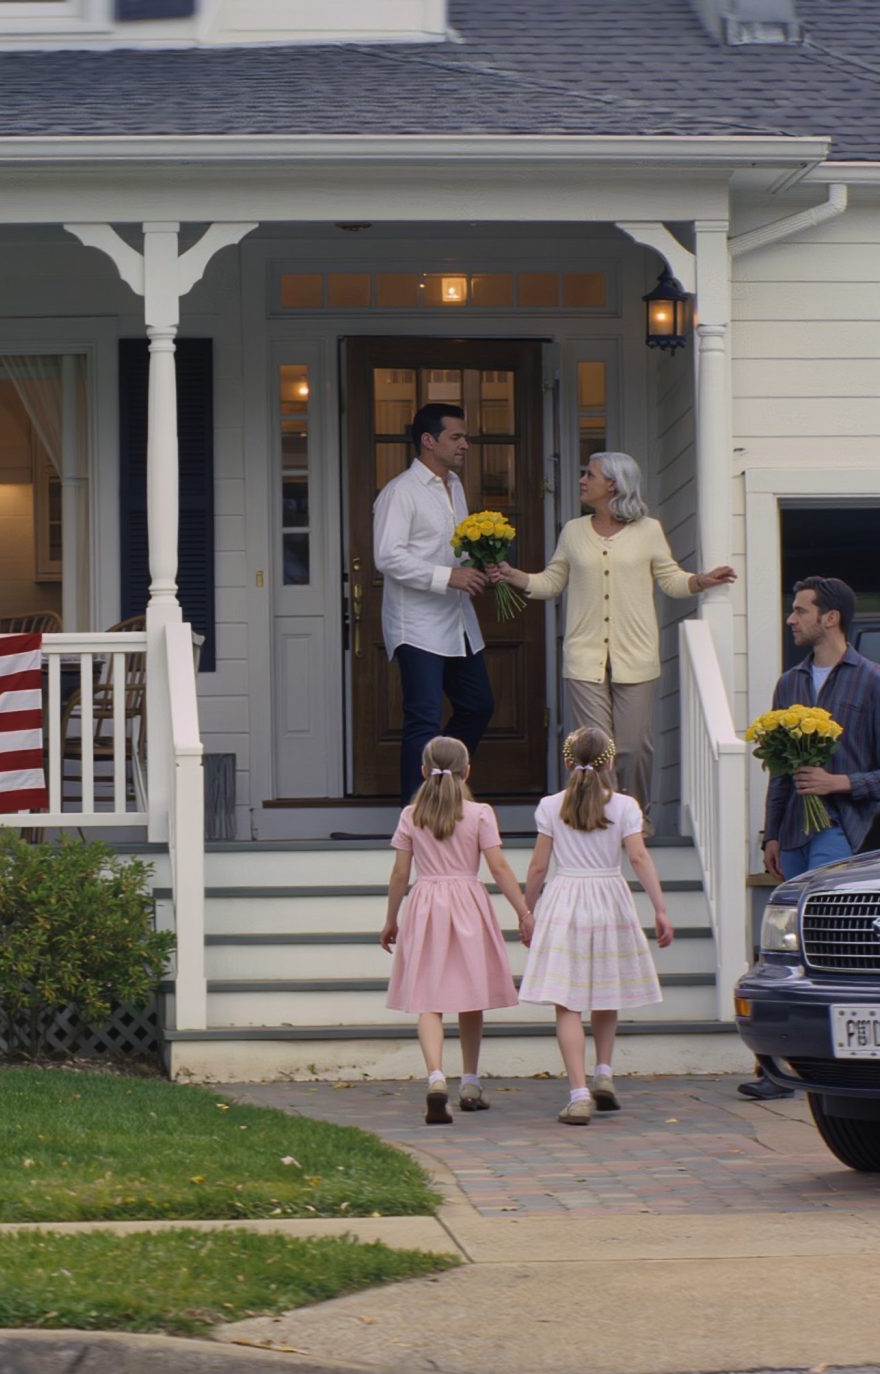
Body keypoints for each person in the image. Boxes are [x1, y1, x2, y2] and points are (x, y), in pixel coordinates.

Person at [490, 452, 735, 831]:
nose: (582, 480)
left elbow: (669, 579)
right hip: (584, 656)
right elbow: (551, 582)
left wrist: (701, 581)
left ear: (614, 485)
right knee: (597, 747)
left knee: (634, 748)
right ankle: (603, 818)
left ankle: (634, 817)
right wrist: (513, 575)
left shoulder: (649, 530)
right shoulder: (573, 531)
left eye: (590, 474)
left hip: (636, 654)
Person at [740, 575, 880, 1100]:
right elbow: (778, 770)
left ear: (831, 619)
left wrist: (840, 782)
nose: (790, 619)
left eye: (800, 611)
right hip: (794, 830)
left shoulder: (872, 681)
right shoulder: (789, 684)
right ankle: (774, 1069)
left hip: (844, 833)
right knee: (783, 954)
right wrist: (770, 835)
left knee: (833, 952)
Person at [520, 726, 674, 1125]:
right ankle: (603, 1072)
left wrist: (526, 909)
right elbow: (639, 858)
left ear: (567, 761)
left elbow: (538, 865)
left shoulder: (551, 805)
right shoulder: (625, 806)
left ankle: (578, 1093)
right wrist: (660, 908)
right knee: (607, 988)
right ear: (610, 762)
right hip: (609, 897)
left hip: (565, 898)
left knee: (567, 1003)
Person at [380, 735, 532, 1125]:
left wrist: (391, 918)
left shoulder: (411, 815)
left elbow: (400, 873)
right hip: (468, 903)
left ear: (422, 771)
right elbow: (498, 868)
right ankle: (469, 1081)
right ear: (468, 771)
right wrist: (524, 911)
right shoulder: (480, 813)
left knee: (429, 999)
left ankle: (435, 1077)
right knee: (470, 994)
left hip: (427, 903)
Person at [373, 402, 494, 807]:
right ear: (429, 441)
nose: (465, 445)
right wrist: (448, 577)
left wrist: (478, 563)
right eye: (456, 437)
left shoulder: (455, 485)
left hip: (458, 622)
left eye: (465, 437)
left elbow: (448, 548)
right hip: (417, 624)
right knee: (422, 719)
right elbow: (387, 557)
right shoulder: (400, 492)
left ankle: (444, 786)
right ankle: (417, 814)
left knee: (478, 706)